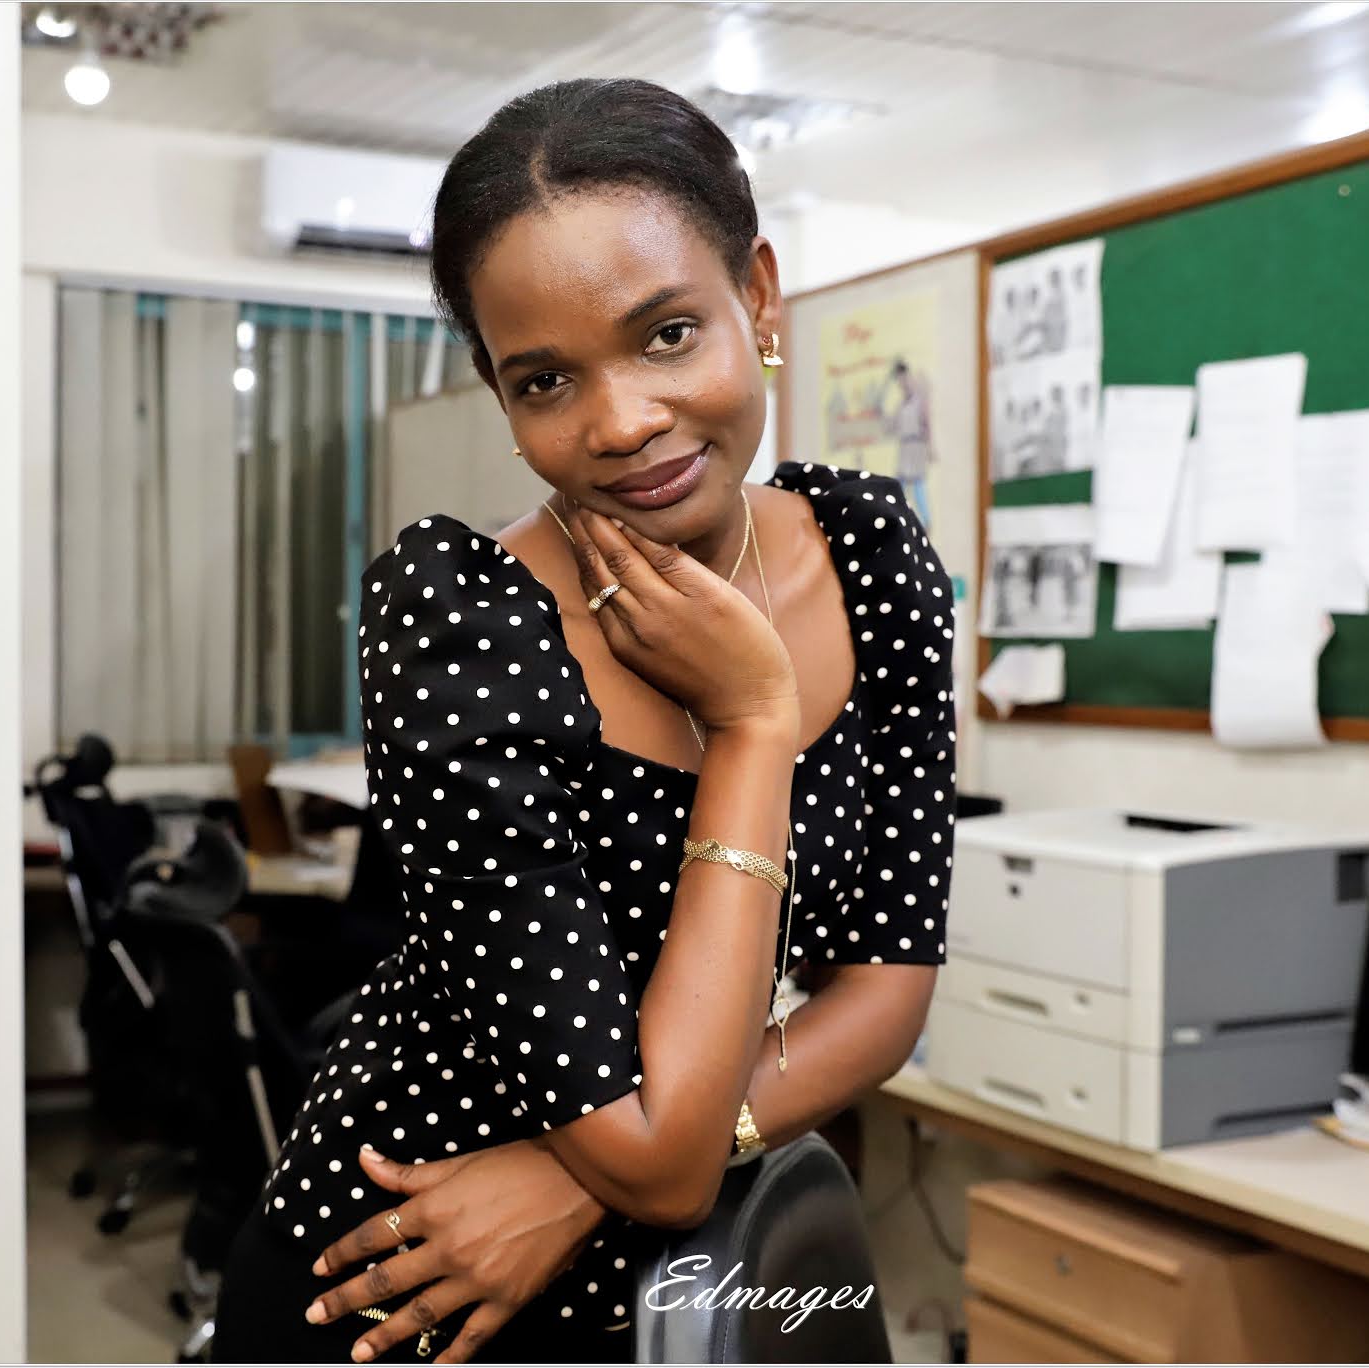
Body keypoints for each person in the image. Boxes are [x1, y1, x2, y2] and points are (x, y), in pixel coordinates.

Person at [211, 77, 955, 1365]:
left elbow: (883, 996)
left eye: (666, 334)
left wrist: (592, 1179)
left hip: (666, 1264)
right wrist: (753, 724)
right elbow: (653, 1160)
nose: (620, 423)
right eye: (546, 378)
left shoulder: (871, 562)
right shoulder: (459, 626)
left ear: (757, 296)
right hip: (406, 1275)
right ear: (498, 395)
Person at [887, 358, 934, 527]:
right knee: (900, 483)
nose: (902, 382)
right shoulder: (901, 404)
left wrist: (930, 448)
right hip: (905, 447)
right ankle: (899, 516)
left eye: (903, 378)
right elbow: (893, 425)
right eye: (899, 379)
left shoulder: (919, 401)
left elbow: (927, 424)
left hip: (916, 446)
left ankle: (926, 521)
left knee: (917, 486)